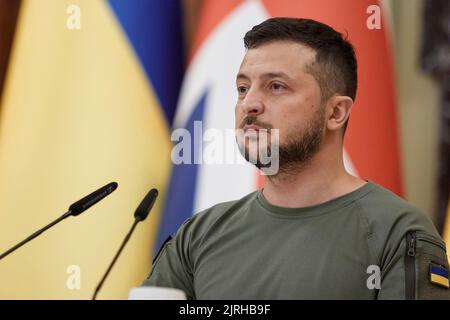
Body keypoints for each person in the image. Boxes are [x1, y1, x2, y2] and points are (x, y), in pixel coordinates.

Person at [142, 18, 450, 299]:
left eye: (276, 86)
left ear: (336, 112)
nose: (249, 103)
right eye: (242, 88)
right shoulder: (198, 234)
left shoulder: (399, 233)